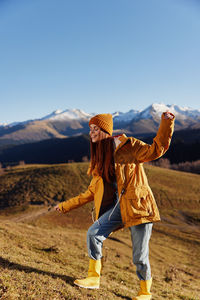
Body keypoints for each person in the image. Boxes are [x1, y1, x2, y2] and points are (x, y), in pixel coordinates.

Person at [55, 111, 175, 300]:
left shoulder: (129, 146)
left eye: (95, 129)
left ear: (105, 131)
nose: (91, 133)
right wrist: (64, 206)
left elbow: (156, 150)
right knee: (93, 233)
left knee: (139, 257)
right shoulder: (100, 160)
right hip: (118, 208)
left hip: (139, 207)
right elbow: (90, 193)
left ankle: (145, 292)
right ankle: (93, 278)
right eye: (90, 129)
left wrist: (167, 123)